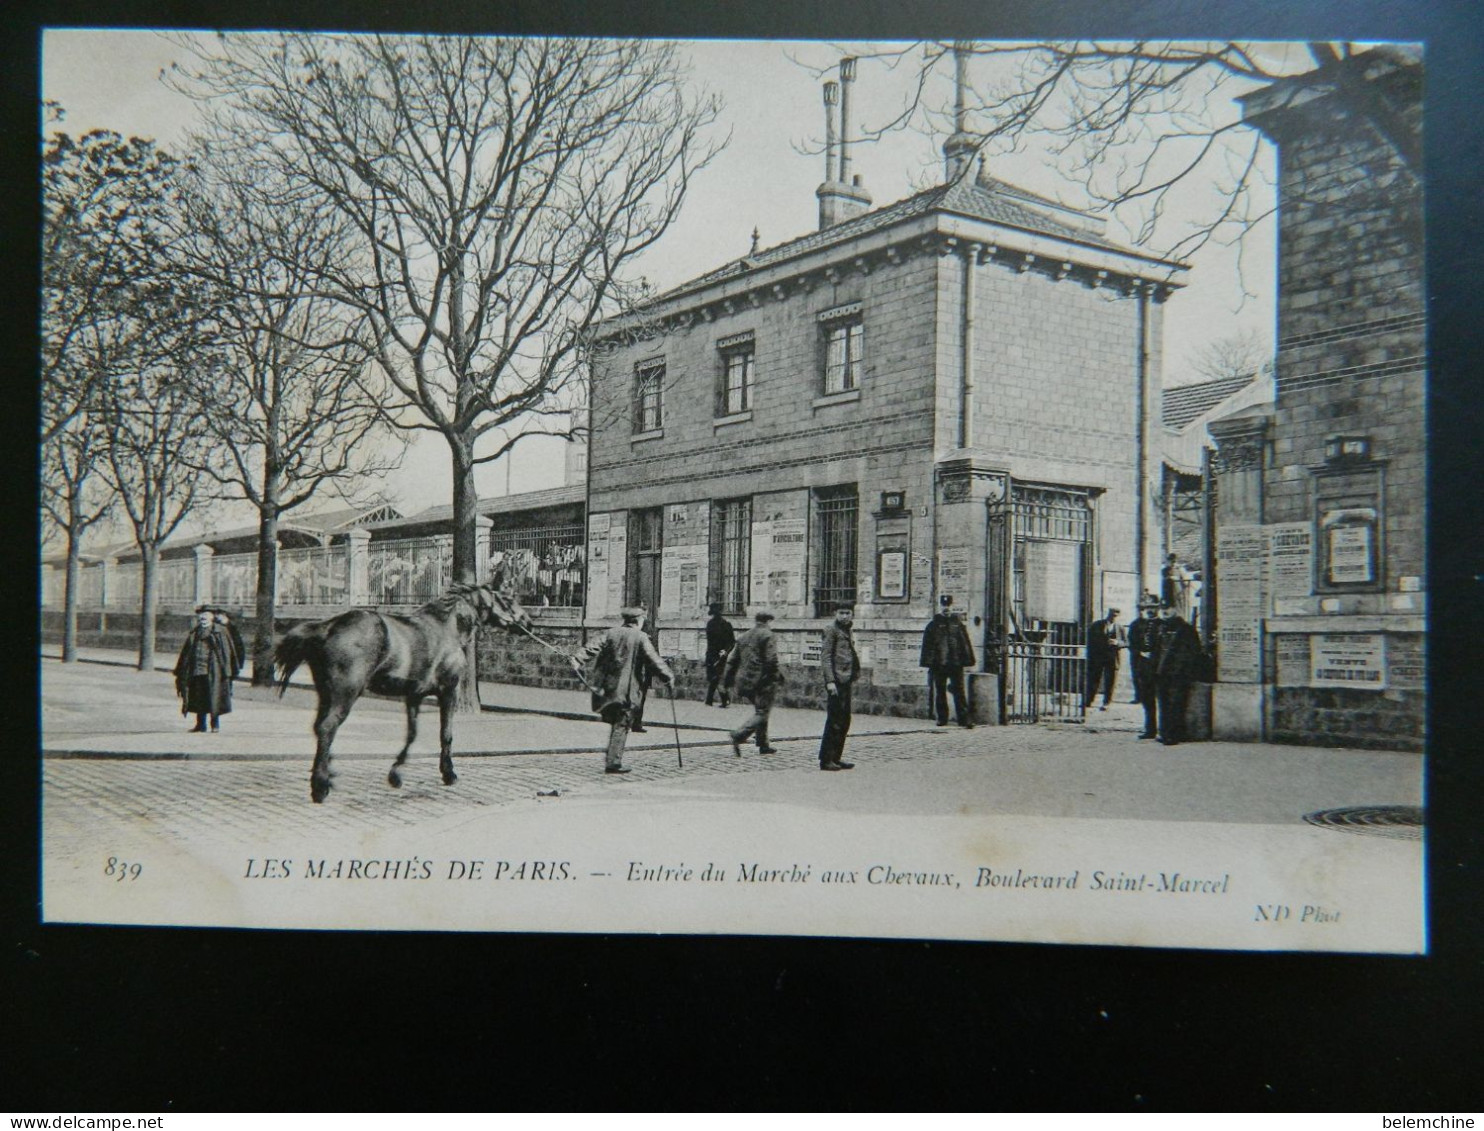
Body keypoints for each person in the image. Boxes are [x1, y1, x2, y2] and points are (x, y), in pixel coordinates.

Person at [576, 606, 674, 774]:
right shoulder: (641, 637)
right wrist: (668, 677)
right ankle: (613, 762)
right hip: (627, 691)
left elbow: (592, 647)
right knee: (622, 723)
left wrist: (577, 659)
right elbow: (654, 661)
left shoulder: (611, 633)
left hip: (609, 689)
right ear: (638, 620)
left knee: (617, 723)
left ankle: (611, 756)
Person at [723, 611, 783, 756]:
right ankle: (738, 735)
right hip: (763, 680)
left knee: (761, 710)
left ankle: (763, 744)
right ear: (768, 621)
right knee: (762, 712)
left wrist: (727, 680)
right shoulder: (768, 636)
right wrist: (775, 676)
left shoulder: (744, 636)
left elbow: (732, 660)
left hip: (745, 680)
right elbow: (771, 660)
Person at [173, 607, 235, 733]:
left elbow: (227, 653)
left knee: (213, 697)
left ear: (212, 617)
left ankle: (215, 724)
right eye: (201, 615)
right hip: (196, 670)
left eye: (206, 614)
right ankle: (200, 724)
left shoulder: (220, 631)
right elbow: (186, 653)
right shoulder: (195, 632)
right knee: (198, 697)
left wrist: (227, 671)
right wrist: (181, 670)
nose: (203, 617)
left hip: (213, 671)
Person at [919, 594, 976, 728]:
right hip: (939, 664)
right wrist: (929, 662)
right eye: (944, 605)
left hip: (955, 663)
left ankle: (964, 719)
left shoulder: (957, 624)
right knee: (940, 691)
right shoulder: (933, 625)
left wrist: (967, 660)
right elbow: (927, 646)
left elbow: (964, 643)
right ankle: (942, 718)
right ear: (940, 607)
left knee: (960, 691)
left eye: (948, 605)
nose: (946, 608)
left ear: (952, 606)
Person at [1153, 598, 1203, 746]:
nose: (1165, 611)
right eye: (1162, 609)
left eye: (1168, 608)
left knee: (1176, 703)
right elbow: (1156, 650)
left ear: (1175, 609)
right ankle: (1164, 732)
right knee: (1163, 703)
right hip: (1161, 672)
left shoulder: (1186, 629)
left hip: (1178, 674)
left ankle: (1173, 735)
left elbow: (1193, 652)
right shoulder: (1161, 627)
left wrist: (1183, 669)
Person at [818, 605, 860, 771]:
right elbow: (826, 657)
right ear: (835, 614)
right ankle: (826, 759)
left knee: (844, 720)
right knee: (834, 721)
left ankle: (836, 757)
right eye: (841, 613)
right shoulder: (831, 630)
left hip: (846, 679)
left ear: (852, 614)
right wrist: (830, 681)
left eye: (847, 613)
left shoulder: (847, 630)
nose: (844, 616)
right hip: (836, 681)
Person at [1127, 595, 1162, 735]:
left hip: (1159, 667)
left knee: (1162, 700)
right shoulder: (1136, 624)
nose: (1150, 610)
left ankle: (1164, 729)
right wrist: (1140, 653)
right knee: (1147, 700)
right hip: (1143, 667)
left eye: (1153, 608)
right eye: (1147, 607)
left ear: (1157, 608)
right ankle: (1150, 729)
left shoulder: (1162, 624)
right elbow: (1132, 643)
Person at [1084, 606, 1124, 711]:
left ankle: (1106, 702)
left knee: (1110, 681)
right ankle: (1088, 700)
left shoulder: (1120, 628)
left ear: (1118, 616)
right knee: (1094, 679)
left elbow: (1126, 642)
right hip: (1098, 657)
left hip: (1113, 658)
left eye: (1115, 616)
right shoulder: (1096, 625)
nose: (1113, 618)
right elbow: (1090, 641)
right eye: (1111, 615)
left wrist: (1118, 643)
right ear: (1108, 614)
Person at [703, 602, 737, 707]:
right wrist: (726, 651)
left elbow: (712, 642)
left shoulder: (711, 624)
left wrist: (725, 651)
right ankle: (711, 700)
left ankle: (722, 699)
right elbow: (732, 642)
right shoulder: (726, 625)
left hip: (713, 654)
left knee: (714, 677)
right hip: (720, 655)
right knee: (715, 677)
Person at [213, 608, 246, 679]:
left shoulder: (232, 628)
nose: (216, 616)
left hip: (230, 659)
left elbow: (238, 646)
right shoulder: (215, 626)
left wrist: (240, 663)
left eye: (218, 614)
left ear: (224, 615)